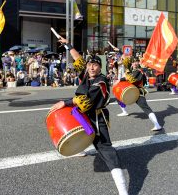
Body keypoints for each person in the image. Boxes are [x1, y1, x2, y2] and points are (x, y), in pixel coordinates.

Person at [51, 37, 128, 195]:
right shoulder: (86, 75)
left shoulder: (102, 82)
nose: (92, 67)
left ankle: (122, 189)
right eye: (90, 65)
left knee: (105, 149)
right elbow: (78, 59)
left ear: (100, 68)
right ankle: (79, 147)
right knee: (77, 132)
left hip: (97, 118)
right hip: (81, 115)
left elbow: (86, 100)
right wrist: (68, 44)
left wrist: (65, 102)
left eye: (96, 65)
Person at [116, 58, 162, 132]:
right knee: (118, 97)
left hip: (137, 92)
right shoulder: (132, 70)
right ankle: (124, 111)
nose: (134, 63)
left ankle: (157, 125)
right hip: (130, 90)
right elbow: (126, 63)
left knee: (145, 107)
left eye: (136, 62)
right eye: (133, 62)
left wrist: (120, 79)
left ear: (138, 63)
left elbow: (131, 79)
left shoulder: (139, 71)